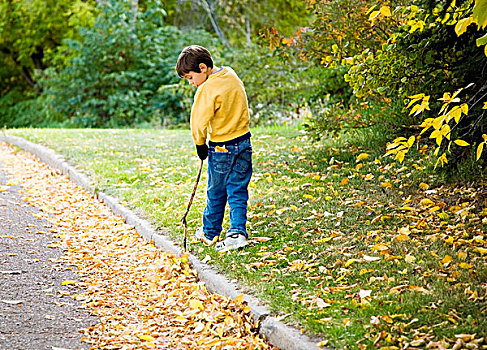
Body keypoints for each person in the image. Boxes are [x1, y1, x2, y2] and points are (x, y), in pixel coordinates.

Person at [176, 45, 252, 252]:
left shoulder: (206, 89)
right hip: (244, 142)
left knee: (216, 190)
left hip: (221, 148)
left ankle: (210, 231)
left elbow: (198, 123)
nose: (191, 83)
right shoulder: (231, 75)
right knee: (237, 189)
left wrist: (200, 145)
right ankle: (237, 233)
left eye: (190, 78)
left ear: (203, 68)